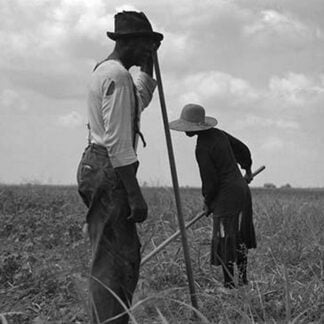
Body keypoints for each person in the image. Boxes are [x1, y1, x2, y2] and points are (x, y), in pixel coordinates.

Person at [76, 11, 163, 323]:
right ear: (129, 42)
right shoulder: (117, 76)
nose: (147, 50)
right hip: (109, 168)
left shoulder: (108, 70)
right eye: (145, 44)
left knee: (110, 257)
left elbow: (138, 99)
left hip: (95, 164)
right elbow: (117, 142)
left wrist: (149, 63)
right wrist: (134, 195)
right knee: (116, 261)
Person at [169, 104, 257, 289]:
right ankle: (243, 280)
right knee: (238, 237)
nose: (186, 131)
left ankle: (229, 285)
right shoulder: (220, 134)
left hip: (227, 197)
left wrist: (208, 202)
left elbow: (210, 182)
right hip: (242, 192)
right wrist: (247, 170)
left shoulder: (202, 147)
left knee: (225, 238)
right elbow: (243, 150)